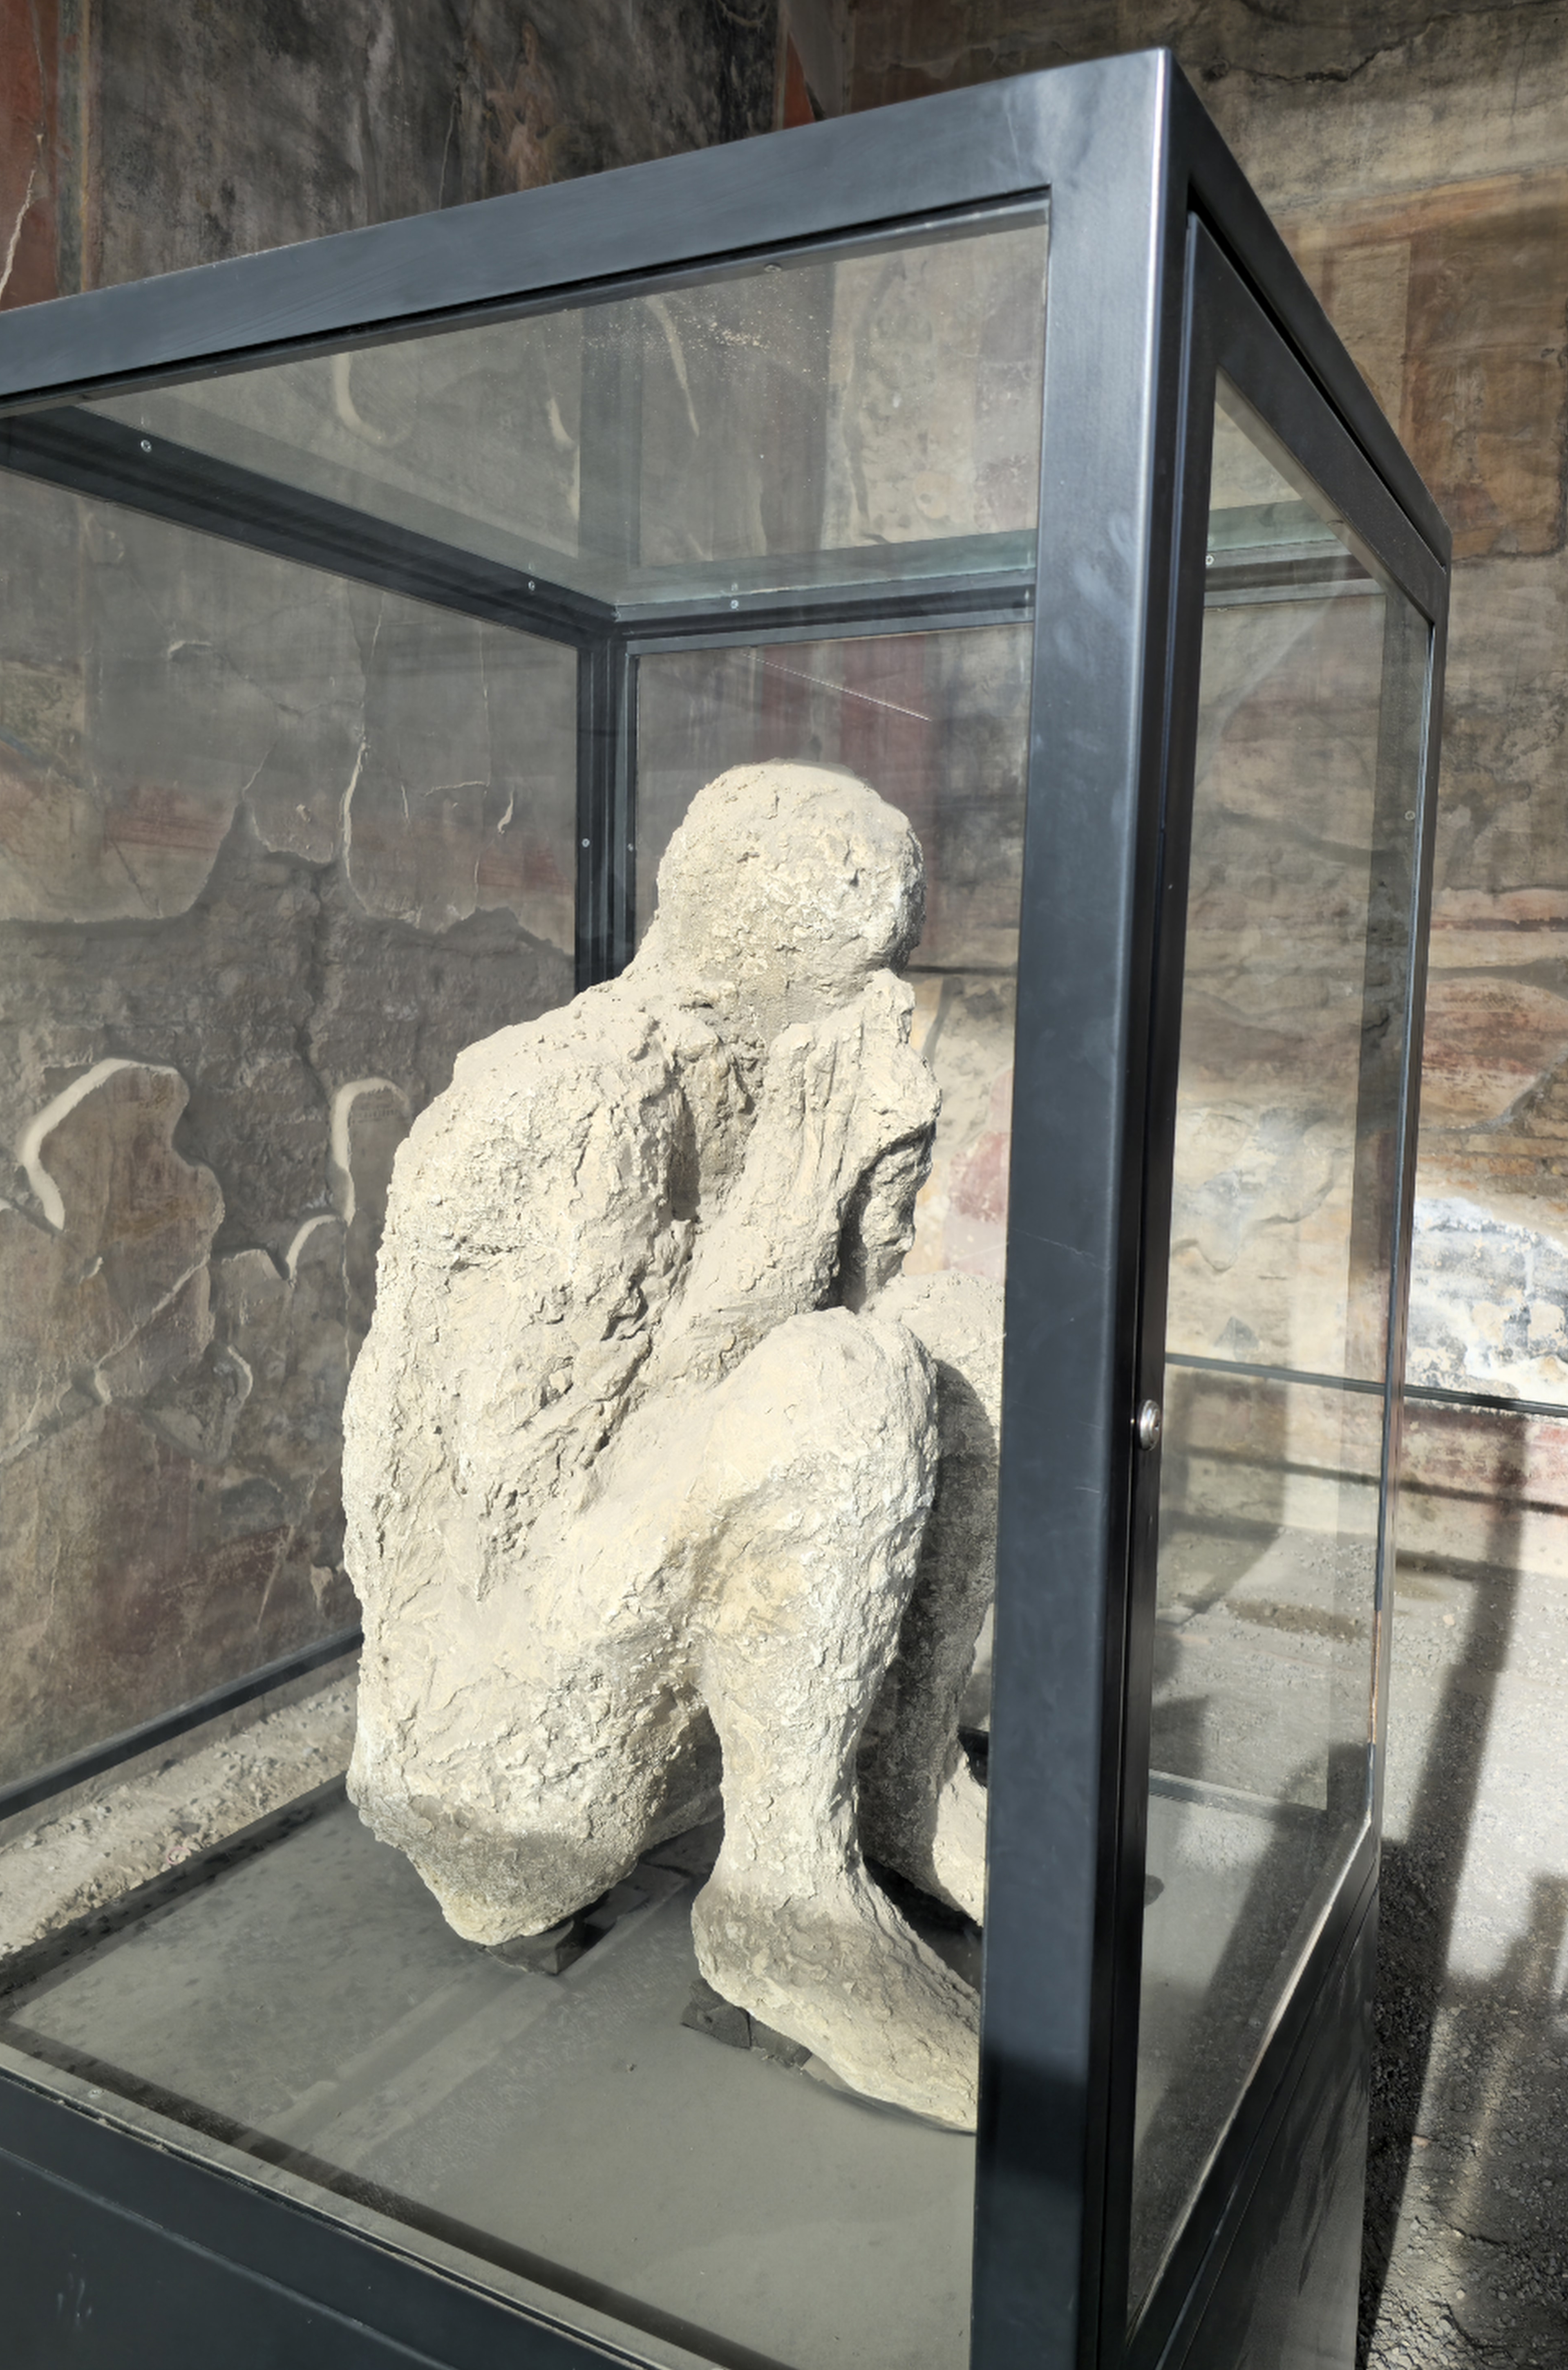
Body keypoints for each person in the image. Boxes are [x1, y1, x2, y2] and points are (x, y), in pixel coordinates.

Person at [343, 761, 999, 2128]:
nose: (888, 1006)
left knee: (958, 1343)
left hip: (631, 1606)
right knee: (839, 1381)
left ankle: (897, 1779)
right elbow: (542, 1478)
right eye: (863, 972)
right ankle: (784, 1906)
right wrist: (798, 1201)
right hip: (505, 1742)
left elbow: (854, 1382)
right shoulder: (573, 1095)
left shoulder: (785, 1072)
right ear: (754, 932)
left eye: (895, 969)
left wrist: (868, 1169)